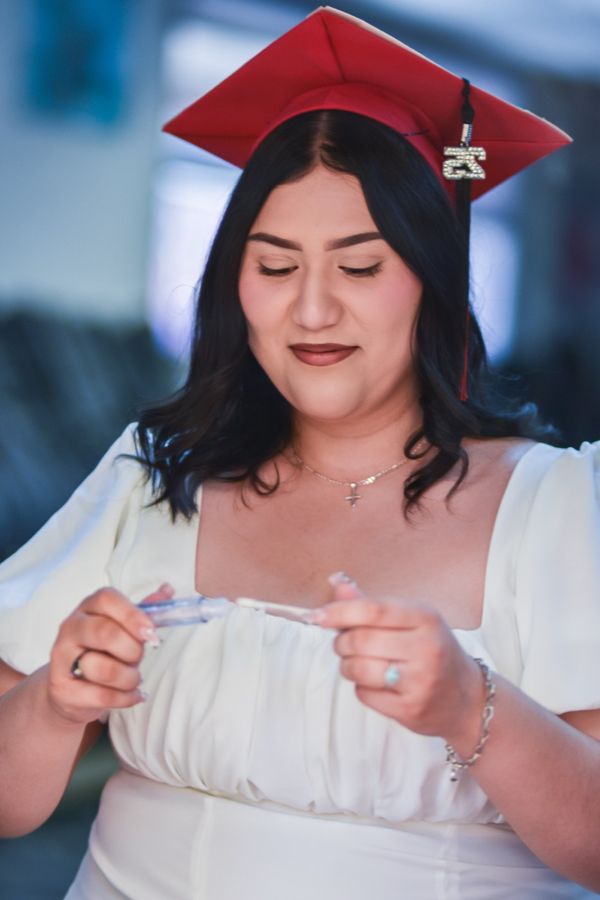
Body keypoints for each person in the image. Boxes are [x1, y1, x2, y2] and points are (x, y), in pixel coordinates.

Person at [0, 7, 599, 899]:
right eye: (274, 267)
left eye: (360, 268)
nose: (311, 312)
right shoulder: (156, 473)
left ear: (431, 281)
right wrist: (54, 699)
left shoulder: (556, 502)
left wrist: (469, 706)